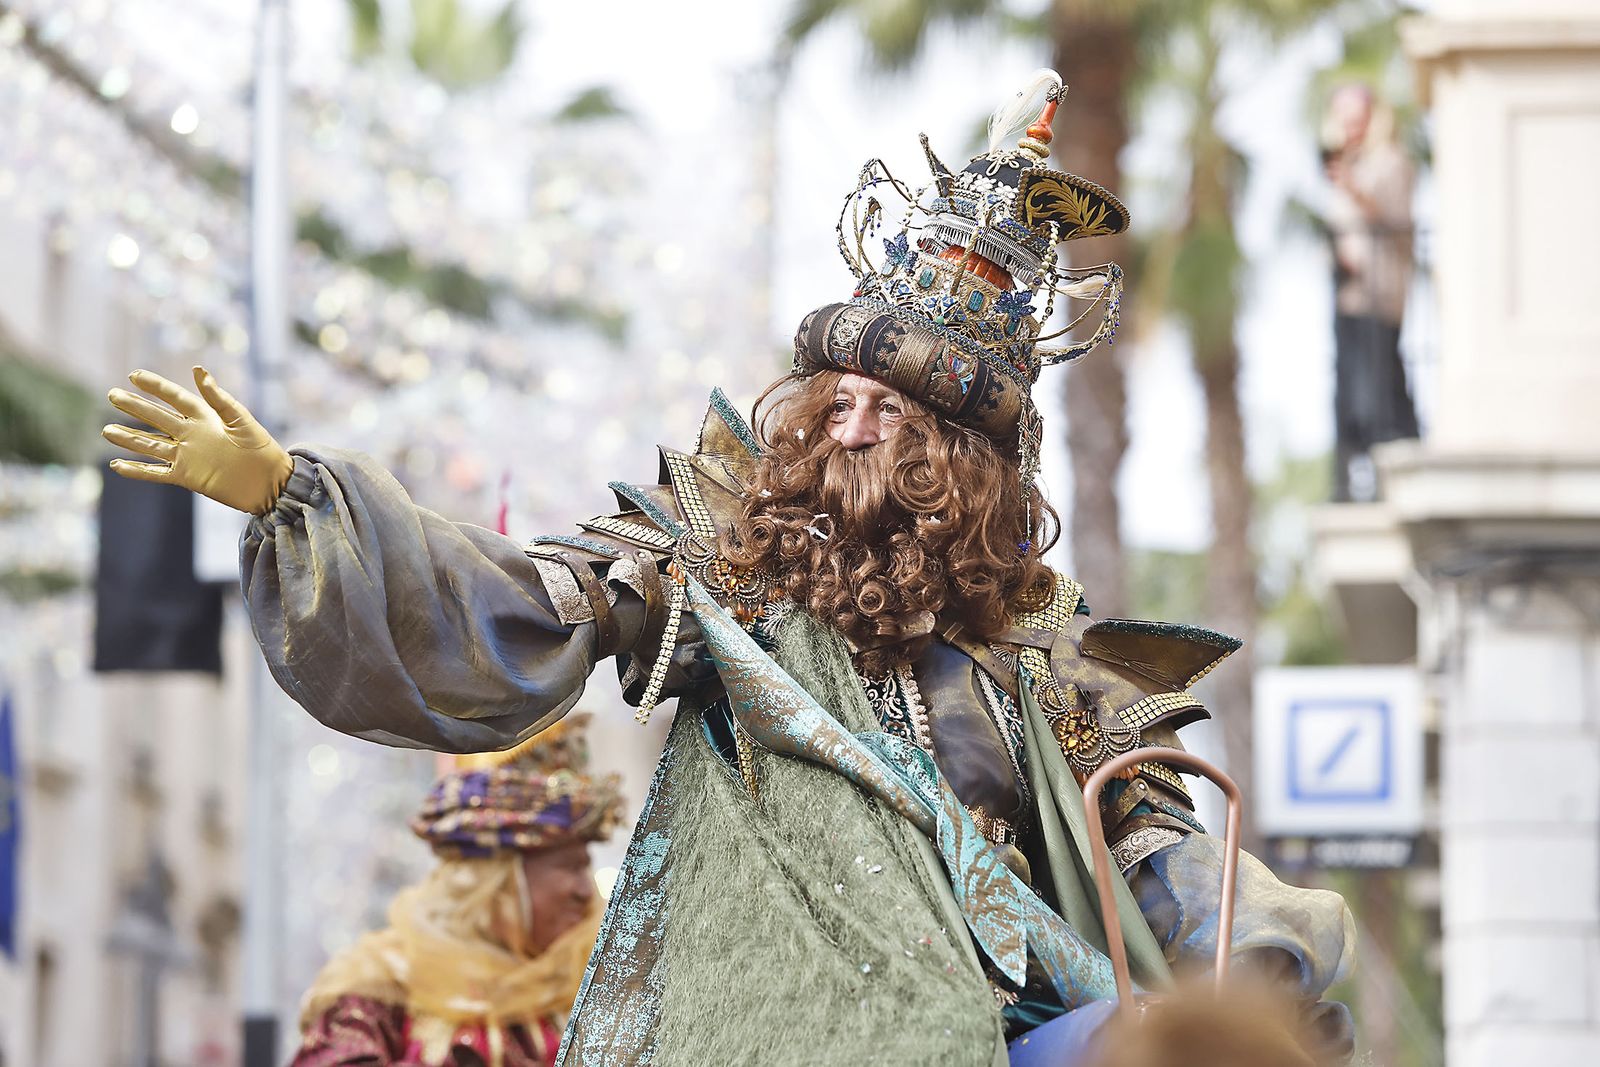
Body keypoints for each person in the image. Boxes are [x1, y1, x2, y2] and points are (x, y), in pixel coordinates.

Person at [102, 71, 1354, 1065]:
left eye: (896, 412)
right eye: (842, 394)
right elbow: (528, 605)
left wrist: (1265, 968)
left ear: (964, 460)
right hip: (778, 1031)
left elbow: (1164, 864)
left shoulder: (1051, 649)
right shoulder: (725, 563)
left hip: (1013, 1027)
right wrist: (297, 499)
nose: (853, 426)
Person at [292, 717, 622, 1067]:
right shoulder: (381, 987)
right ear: (498, 878)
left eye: (586, 865)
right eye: (569, 866)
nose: (586, 891)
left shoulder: (604, 986)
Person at [1322, 82, 1420, 501]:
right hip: (1348, 294)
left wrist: (1354, 191)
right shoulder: (1348, 166)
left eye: (1357, 116)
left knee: (1379, 390)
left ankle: (1390, 479)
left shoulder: (1391, 163)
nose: (1350, 126)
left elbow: (1396, 223)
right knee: (1350, 390)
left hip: (1379, 295)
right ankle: (1352, 481)